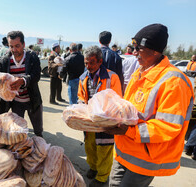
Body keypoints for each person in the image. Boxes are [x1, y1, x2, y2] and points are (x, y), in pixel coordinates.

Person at [104, 24, 194, 187]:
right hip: (124, 149)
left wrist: (128, 130)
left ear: (155, 51)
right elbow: (129, 108)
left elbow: (168, 126)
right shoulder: (140, 72)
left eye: (139, 48)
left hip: (145, 157)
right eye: (133, 47)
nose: (134, 52)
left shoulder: (174, 82)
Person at [78, 45, 122, 186]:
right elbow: (81, 97)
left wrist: (104, 114)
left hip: (106, 121)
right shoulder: (83, 77)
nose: (88, 66)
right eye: (86, 63)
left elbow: (117, 100)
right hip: (90, 121)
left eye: (91, 62)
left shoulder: (112, 77)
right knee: (90, 147)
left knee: (104, 148)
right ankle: (93, 167)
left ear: (100, 62)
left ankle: (102, 177)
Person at [0, 31, 43, 137]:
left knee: (38, 131)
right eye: (11, 46)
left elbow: (36, 75)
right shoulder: (5, 60)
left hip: (33, 100)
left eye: (17, 46)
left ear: (24, 45)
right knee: (19, 131)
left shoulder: (32, 57)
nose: (14, 50)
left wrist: (23, 81)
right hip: (16, 103)